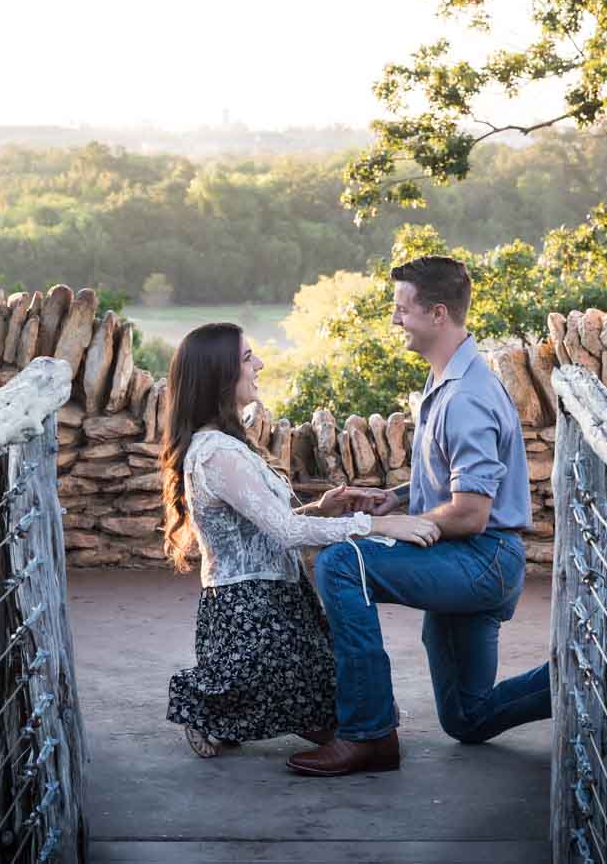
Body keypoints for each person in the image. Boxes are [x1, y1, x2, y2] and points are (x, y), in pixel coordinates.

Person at [289, 256, 552, 777]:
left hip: (480, 559)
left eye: (400, 310)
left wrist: (399, 528)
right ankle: (587, 677)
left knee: (342, 563)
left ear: (436, 314)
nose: (393, 321)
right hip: (474, 558)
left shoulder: (468, 397)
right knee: (467, 719)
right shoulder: (453, 380)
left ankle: (368, 734)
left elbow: (473, 513)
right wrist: (401, 497)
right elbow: (464, 482)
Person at [160, 322, 439, 758]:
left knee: (358, 716)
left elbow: (273, 525)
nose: (260, 364)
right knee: (334, 723)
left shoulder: (230, 446)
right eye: (248, 358)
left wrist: (320, 509)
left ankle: (230, 712)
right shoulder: (215, 453)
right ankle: (204, 704)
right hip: (247, 609)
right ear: (218, 374)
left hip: (283, 599)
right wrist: (380, 525)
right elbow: (286, 534)